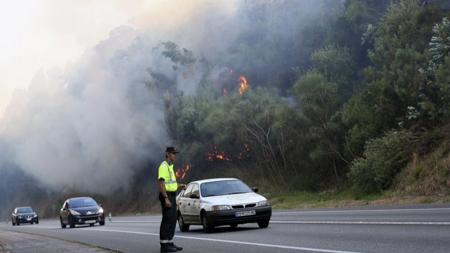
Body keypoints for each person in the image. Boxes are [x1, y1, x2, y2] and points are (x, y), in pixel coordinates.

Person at [158, 147, 185, 252]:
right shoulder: (163, 166)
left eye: (175, 153)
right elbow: (161, 183)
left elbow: (171, 184)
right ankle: (164, 245)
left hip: (172, 195)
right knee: (167, 219)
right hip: (167, 196)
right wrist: (165, 198)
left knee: (173, 219)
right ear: (167, 154)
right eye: (173, 153)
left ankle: (169, 242)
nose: (175, 155)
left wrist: (180, 185)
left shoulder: (170, 167)